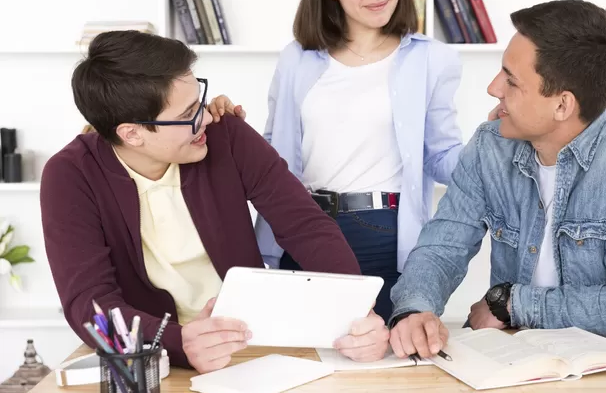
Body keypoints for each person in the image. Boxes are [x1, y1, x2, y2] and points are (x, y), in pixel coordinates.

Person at [39, 30, 390, 374]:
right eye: (187, 114)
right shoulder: (70, 176)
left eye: (200, 101)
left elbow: (305, 226)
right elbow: (91, 303)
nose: (207, 117)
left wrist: (357, 312)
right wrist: (179, 342)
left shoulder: (226, 134)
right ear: (132, 133)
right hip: (150, 359)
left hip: (250, 340)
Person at [387, 0, 606, 360]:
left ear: (562, 105)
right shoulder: (488, 146)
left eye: (511, 81)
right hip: (510, 358)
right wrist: (415, 308)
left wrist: (512, 302)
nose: (494, 89)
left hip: (605, 367)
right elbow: (442, 247)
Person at [207, 0, 463, 322]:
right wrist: (227, 125)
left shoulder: (431, 58)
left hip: (383, 231)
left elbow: (442, 153)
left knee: (377, 362)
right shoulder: (297, 58)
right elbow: (277, 153)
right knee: (303, 357)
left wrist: (499, 145)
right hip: (302, 225)